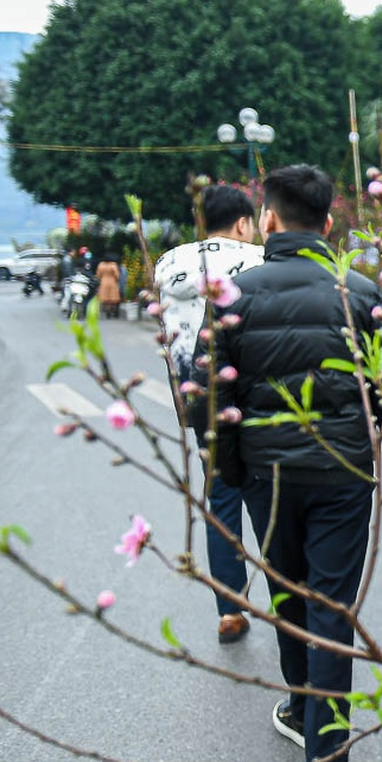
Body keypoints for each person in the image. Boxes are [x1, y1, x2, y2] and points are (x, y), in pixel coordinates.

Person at [195, 164, 382, 762]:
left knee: (287, 589)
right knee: (330, 605)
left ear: (270, 221)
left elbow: (214, 396)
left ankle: (298, 702)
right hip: (342, 474)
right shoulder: (363, 292)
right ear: (331, 224)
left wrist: (231, 472)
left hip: (266, 474)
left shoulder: (232, 294)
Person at [154, 184, 265, 643]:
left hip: (197, 401)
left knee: (220, 503)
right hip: (254, 396)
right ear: (242, 222)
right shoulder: (258, 261)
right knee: (267, 500)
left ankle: (229, 610)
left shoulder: (169, 265)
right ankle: (290, 601)